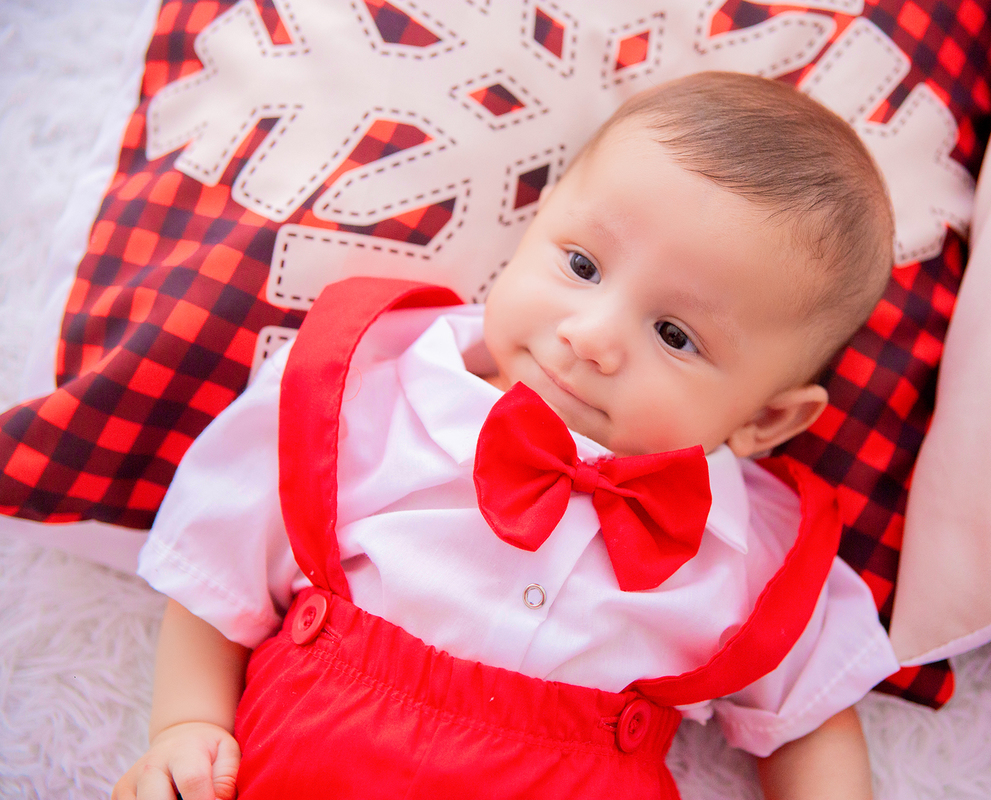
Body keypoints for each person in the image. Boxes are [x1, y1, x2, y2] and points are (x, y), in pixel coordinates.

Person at [113, 71, 898, 800]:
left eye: (674, 334)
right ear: (536, 222)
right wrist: (186, 723)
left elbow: (812, 720)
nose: (591, 336)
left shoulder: (756, 555)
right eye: (583, 265)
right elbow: (219, 569)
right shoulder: (369, 393)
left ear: (766, 420)